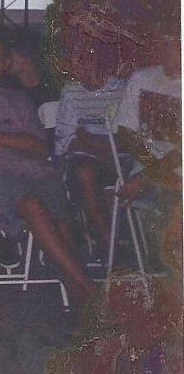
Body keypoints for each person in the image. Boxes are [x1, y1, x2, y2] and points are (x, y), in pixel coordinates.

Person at [0, 25, 95, 304]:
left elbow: (41, 147)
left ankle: (77, 291)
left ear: (6, 63)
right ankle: (89, 288)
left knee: (59, 217)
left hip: (36, 171)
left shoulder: (18, 99)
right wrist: (17, 140)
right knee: (32, 203)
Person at [53, 68, 129, 247]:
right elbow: (66, 138)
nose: (80, 65)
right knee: (85, 172)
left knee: (112, 188)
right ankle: (110, 246)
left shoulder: (122, 89)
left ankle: (115, 244)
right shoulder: (71, 91)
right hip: (86, 157)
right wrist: (96, 148)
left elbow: (129, 138)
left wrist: (92, 141)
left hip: (120, 157)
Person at [112, 31, 181, 203]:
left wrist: (147, 176)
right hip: (147, 163)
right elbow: (124, 132)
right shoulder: (141, 79)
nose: (169, 49)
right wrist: (152, 169)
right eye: (164, 43)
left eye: (175, 43)